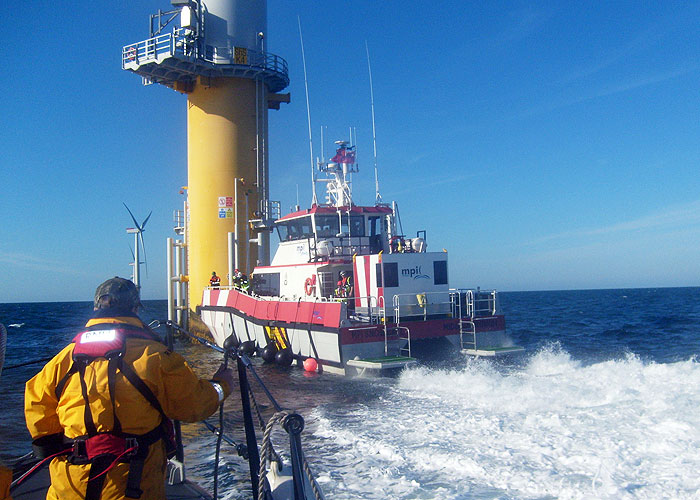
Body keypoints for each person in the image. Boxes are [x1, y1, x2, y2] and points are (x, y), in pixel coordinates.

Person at [24, 277, 235, 500]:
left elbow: (37, 413)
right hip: (136, 484)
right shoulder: (156, 356)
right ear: (135, 308)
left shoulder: (61, 360)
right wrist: (221, 386)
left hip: (71, 485)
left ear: (96, 307)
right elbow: (192, 405)